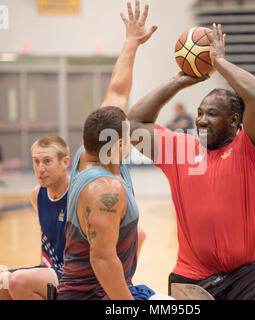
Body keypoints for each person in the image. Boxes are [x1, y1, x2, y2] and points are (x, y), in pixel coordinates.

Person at [127, 23, 255, 300]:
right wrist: (180, 80)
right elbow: (133, 124)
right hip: (193, 275)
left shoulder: (250, 150)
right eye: (200, 112)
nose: (202, 119)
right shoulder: (180, 150)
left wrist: (220, 63)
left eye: (212, 114)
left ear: (234, 122)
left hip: (250, 272)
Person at [57, 0, 164, 300]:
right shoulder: (105, 189)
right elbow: (102, 261)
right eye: (128, 137)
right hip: (93, 296)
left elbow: (117, 91)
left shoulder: (89, 151)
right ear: (117, 145)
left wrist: (131, 41)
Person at [0, 134, 70, 300]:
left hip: (73, 275)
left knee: (17, 282)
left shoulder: (79, 194)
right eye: (36, 161)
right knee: (2, 284)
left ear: (65, 162)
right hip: (49, 269)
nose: (40, 168)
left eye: (47, 161)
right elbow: (47, 239)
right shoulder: (36, 195)